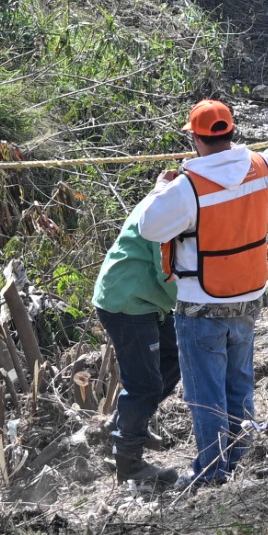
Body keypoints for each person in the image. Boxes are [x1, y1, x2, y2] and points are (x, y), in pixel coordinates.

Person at [131, 100, 268, 489]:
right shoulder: (261, 168)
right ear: (231, 132)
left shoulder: (187, 188)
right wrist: (262, 156)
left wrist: (160, 188)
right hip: (247, 296)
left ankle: (211, 473)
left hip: (200, 305)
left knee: (204, 394)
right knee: (239, 383)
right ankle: (242, 457)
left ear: (195, 139)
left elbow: (148, 226)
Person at [91, 203, 182, 487]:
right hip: (128, 302)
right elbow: (166, 271)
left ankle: (124, 424)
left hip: (142, 297)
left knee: (176, 354)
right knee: (145, 385)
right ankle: (129, 462)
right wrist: (194, 303)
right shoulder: (168, 211)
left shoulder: (169, 197)